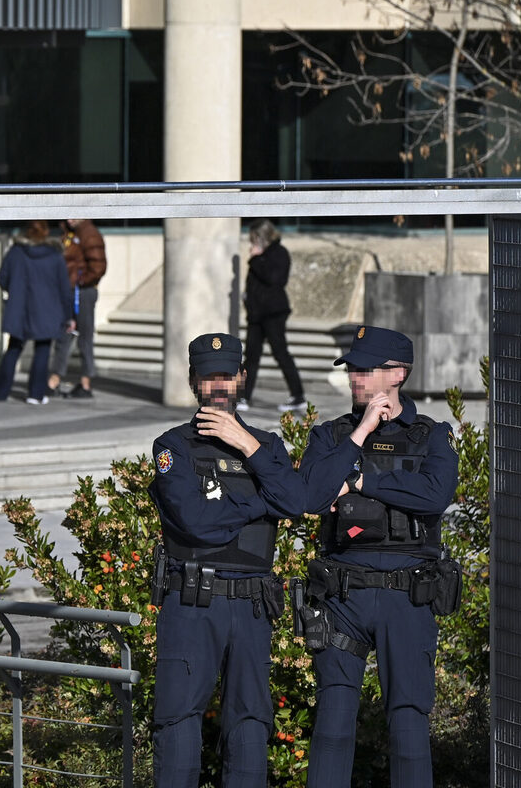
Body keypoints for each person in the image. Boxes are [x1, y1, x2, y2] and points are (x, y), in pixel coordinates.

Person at [296, 326, 461, 788]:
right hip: (342, 598)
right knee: (333, 722)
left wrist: (361, 481)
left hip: (406, 598)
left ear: (398, 374)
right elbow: (312, 494)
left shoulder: (432, 435)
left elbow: (434, 495)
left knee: (408, 723)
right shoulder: (332, 435)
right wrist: (362, 432)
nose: (355, 377)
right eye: (352, 368)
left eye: (366, 369)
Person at [148, 332, 305, 788]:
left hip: (253, 606)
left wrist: (248, 447)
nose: (218, 386)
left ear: (242, 377)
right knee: (178, 716)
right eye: (208, 377)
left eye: (227, 376)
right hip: (193, 601)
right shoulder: (173, 446)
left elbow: (295, 502)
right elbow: (197, 523)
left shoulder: (267, 446)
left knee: (251, 719)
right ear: (193, 381)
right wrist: (261, 501)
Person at [0, 220, 71, 404]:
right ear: (46, 232)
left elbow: (2, 277)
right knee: (42, 350)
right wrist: (68, 315)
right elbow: (64, 288)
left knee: (13, 348)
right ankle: (35, 394)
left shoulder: (16, 252)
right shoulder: (54, 255)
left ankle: (1, 392)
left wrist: (15, 290)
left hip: (19, 308)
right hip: (47, 309)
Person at [237, 219, 306, 414]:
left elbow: (274, 279)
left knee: (280, 353)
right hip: (256, 314)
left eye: (254, 238)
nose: (251, 243)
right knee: (251, 356)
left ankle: (298, 396)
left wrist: (255, 259)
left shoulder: (278, 253)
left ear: (262, 237)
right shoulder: (261, 257)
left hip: (273, 313)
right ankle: (244, 396)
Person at [47, 218, 107, 399]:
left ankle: (85, 383)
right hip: (69, 291)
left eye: (74, 215)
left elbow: (98, 265)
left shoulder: (89, 233)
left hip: (82, 292)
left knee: (84, 337)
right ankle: (54, 380)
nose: (70, 219)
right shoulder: (69, 234)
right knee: (64, 334)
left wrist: (81, 281)